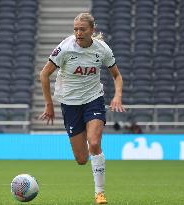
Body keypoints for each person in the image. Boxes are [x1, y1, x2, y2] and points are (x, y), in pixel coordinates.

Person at [39, 13, 125, 204]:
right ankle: (92, 157)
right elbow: (44, 74)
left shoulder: (102, 49)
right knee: (81, 159)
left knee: (94, 143)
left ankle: (99, 193)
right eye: (75, 29)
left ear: (92, 30)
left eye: (82, 29)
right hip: (70, 104)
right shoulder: (65, 48)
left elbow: (117, 76)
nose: (78, 33)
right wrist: (49, 105)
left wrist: (117, 96)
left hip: (93, 99)